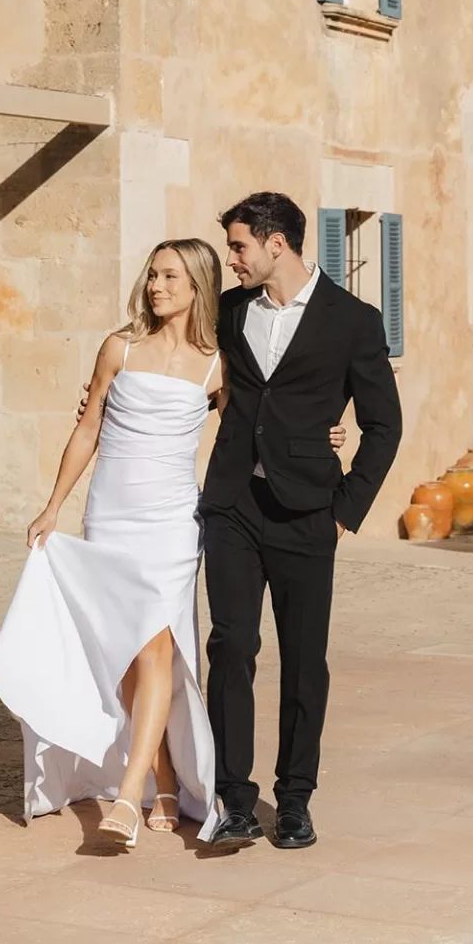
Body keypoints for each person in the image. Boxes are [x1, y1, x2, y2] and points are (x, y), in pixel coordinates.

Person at [0, 237, 346, 848]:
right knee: (128, 653)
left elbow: (264, 423)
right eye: (152, 276)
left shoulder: (219, 365)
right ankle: (166, 774)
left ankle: (125, 800)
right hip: (110, 517)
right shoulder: (117, 348)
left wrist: (320, 435)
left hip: (173, 524)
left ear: (199, 284)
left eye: (172, 277)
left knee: (155, 649)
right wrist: (52, 508)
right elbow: (88, 426)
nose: (157, 287)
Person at [203, 191, 403, 852]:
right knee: (231, 646)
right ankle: (233, 800)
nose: (231, 260)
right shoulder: (232, 311)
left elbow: (383, 424)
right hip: (233, 506)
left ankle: (293, 800)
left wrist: (346, 510)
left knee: (303, 662)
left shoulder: (353, 320)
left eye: (238, 247)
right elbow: (182, 364)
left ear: (275, 244)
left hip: (308, 514)